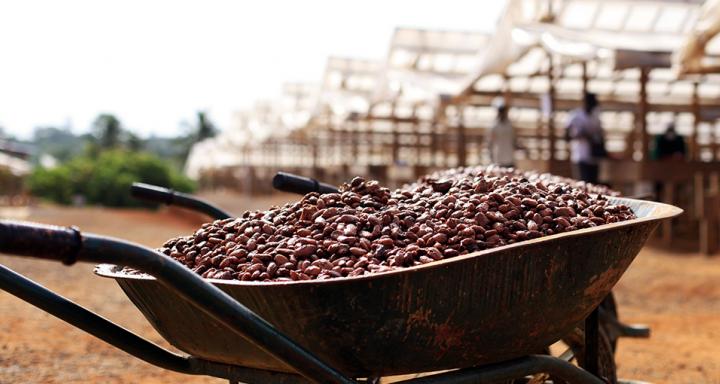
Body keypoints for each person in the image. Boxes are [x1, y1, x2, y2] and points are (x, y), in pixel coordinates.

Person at [566, 92, 606, 184]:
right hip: (581, 155)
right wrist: (581, 135)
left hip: (594, 156)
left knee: (594, 183)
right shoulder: (575, 116)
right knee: (583, 182)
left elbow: (600, 134)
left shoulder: (595, 116)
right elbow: (567, 135)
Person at [487, 99, 516, 168]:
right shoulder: (494, 126)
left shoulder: (509, 125)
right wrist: (491, 157)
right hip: (499, 158)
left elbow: (513, 140)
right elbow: (490, 142)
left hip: (509, 158)